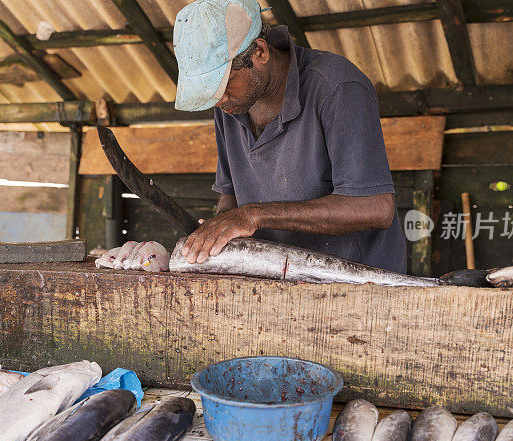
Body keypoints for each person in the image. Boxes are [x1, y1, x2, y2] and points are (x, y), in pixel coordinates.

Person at [172, 0, 406, 273]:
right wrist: (219, 230)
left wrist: (253, 216)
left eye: (223, 83)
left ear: (259, 52)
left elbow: (375, 207)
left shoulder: (336, 87)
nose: (218, 98)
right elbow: (231, 197)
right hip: (281, 280)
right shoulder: (231, 105)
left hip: (359, 283)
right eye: (209, 90)